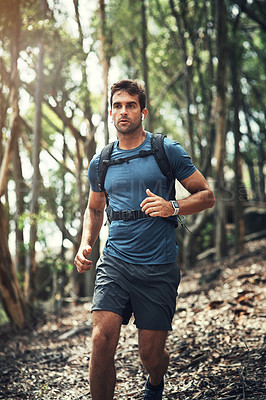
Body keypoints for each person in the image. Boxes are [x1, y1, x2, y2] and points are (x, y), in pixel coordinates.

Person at [74, 79, 215, 400]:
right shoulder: (101, 162)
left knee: (151, 357)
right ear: (111, 113)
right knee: (100, 340)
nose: (124, 111)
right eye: (118, 105)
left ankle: (155, 382)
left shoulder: (165, 150)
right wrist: (86, 244)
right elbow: (94, 209)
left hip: (158, 266)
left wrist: (173, 206)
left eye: (131, 105)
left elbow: (207, 196)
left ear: (143, 111)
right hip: (116, 263)